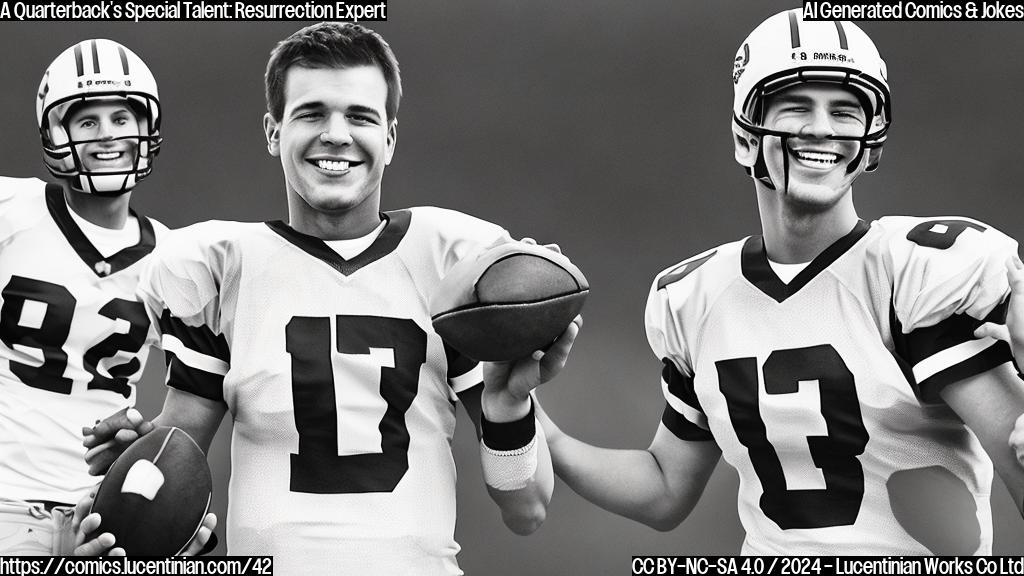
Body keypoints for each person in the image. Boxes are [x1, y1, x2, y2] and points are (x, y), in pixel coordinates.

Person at [80, 22, 578, 573]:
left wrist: (509, 406)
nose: (336, 134)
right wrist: (133, 484)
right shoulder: (223, 267)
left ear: (389, 138)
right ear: (273, 133)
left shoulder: (452, 264)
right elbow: (177, 458)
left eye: (360, 116)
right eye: (312, 114)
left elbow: (528, 507)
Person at [538, 9, 1024, 555]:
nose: (822, 128)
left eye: (845, 111)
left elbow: (1016, 454)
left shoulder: (915, 275)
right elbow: (664, 488)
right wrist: (538, 428)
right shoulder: (694, 297)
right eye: (797, 107)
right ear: (747, 139)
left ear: (872, 139)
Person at [0, 38, 215, 556]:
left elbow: (198, 398)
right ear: (56, 131)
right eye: (87, 121)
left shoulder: (175, 256)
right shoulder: (10, 210)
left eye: (121, 118)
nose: (106, 136)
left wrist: (147, 441)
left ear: (146, 127)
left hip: (101, 513)